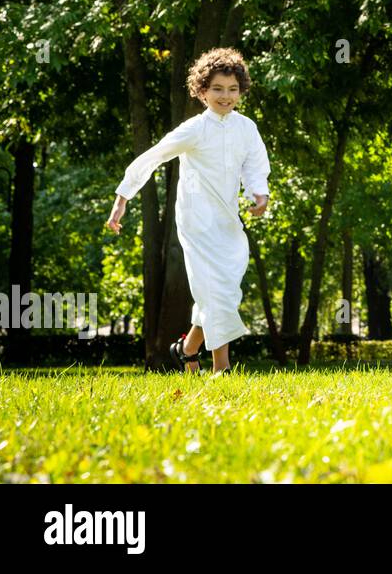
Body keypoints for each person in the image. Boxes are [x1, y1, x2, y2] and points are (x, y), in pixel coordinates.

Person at [105, 47, 270, 375]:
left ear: (241, 90)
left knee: (225, 290)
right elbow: (154, 155)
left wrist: (260, 193)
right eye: (217, 89)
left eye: (232, 89)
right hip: (196, 222)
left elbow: (255, 164)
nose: (225, 96)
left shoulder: (246, 128)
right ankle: (221, 367)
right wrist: (123, 197)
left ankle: (188, 347)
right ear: (202, 91)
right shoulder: (195, 129)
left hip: (228, 222)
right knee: (214, 289)